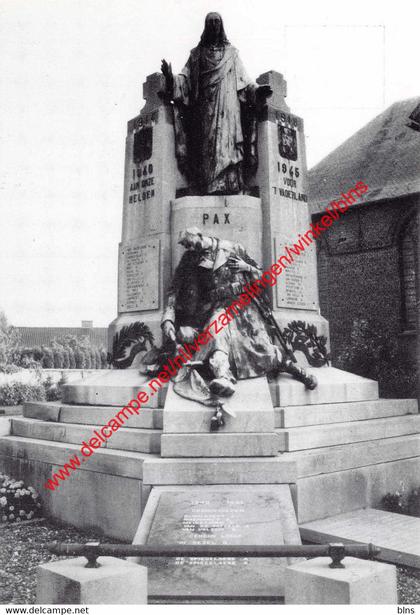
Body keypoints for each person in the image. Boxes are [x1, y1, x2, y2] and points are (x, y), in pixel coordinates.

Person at [160, 228, 317, 405]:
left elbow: (262, 277)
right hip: (218, 308)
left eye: (190, 243)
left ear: (200, 235)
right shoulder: (190, 259)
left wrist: (247, 267)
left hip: (245, 309)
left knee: (262, 350)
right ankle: (224, 378)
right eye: (186, 245)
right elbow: (174, 290)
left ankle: (298, 371)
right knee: (214, 332)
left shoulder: (233, 248)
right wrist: (168, 318)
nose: (189, 248)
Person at [161, 12, 269, 195]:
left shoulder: (232, 54)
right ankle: (210, 185)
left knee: (229, 142)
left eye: (217, 22)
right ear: (205, 26)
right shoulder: (196, 54)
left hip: (229, 106)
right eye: (210, 22)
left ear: (221, 25)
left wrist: (257, 91)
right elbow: (184, 78)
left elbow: (245, 80)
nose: (214, 25)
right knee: (209, 144)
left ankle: (231, 183)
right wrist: (171, 78)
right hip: (206, 107)